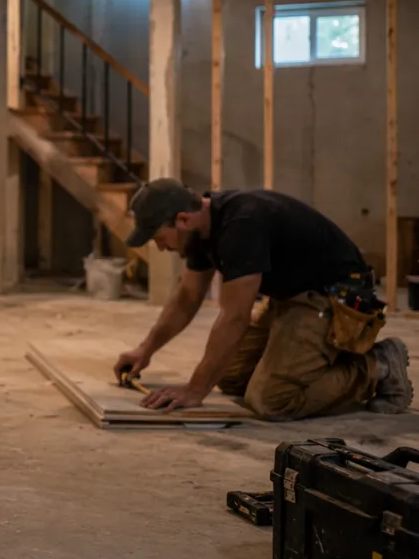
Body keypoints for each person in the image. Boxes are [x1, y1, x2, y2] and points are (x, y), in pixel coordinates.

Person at [115, 178, 413, 420]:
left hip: (332, 298)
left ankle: (378, 364)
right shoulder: (200, 230)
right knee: (230, 377)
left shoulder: (241, 224)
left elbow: (235, 317)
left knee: (271, 400)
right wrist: (145, 349)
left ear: (183, 219)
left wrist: (195, 389)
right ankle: (317, 358)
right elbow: (187, 297)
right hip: (291, 294)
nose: (162, 248)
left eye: (159, 239)